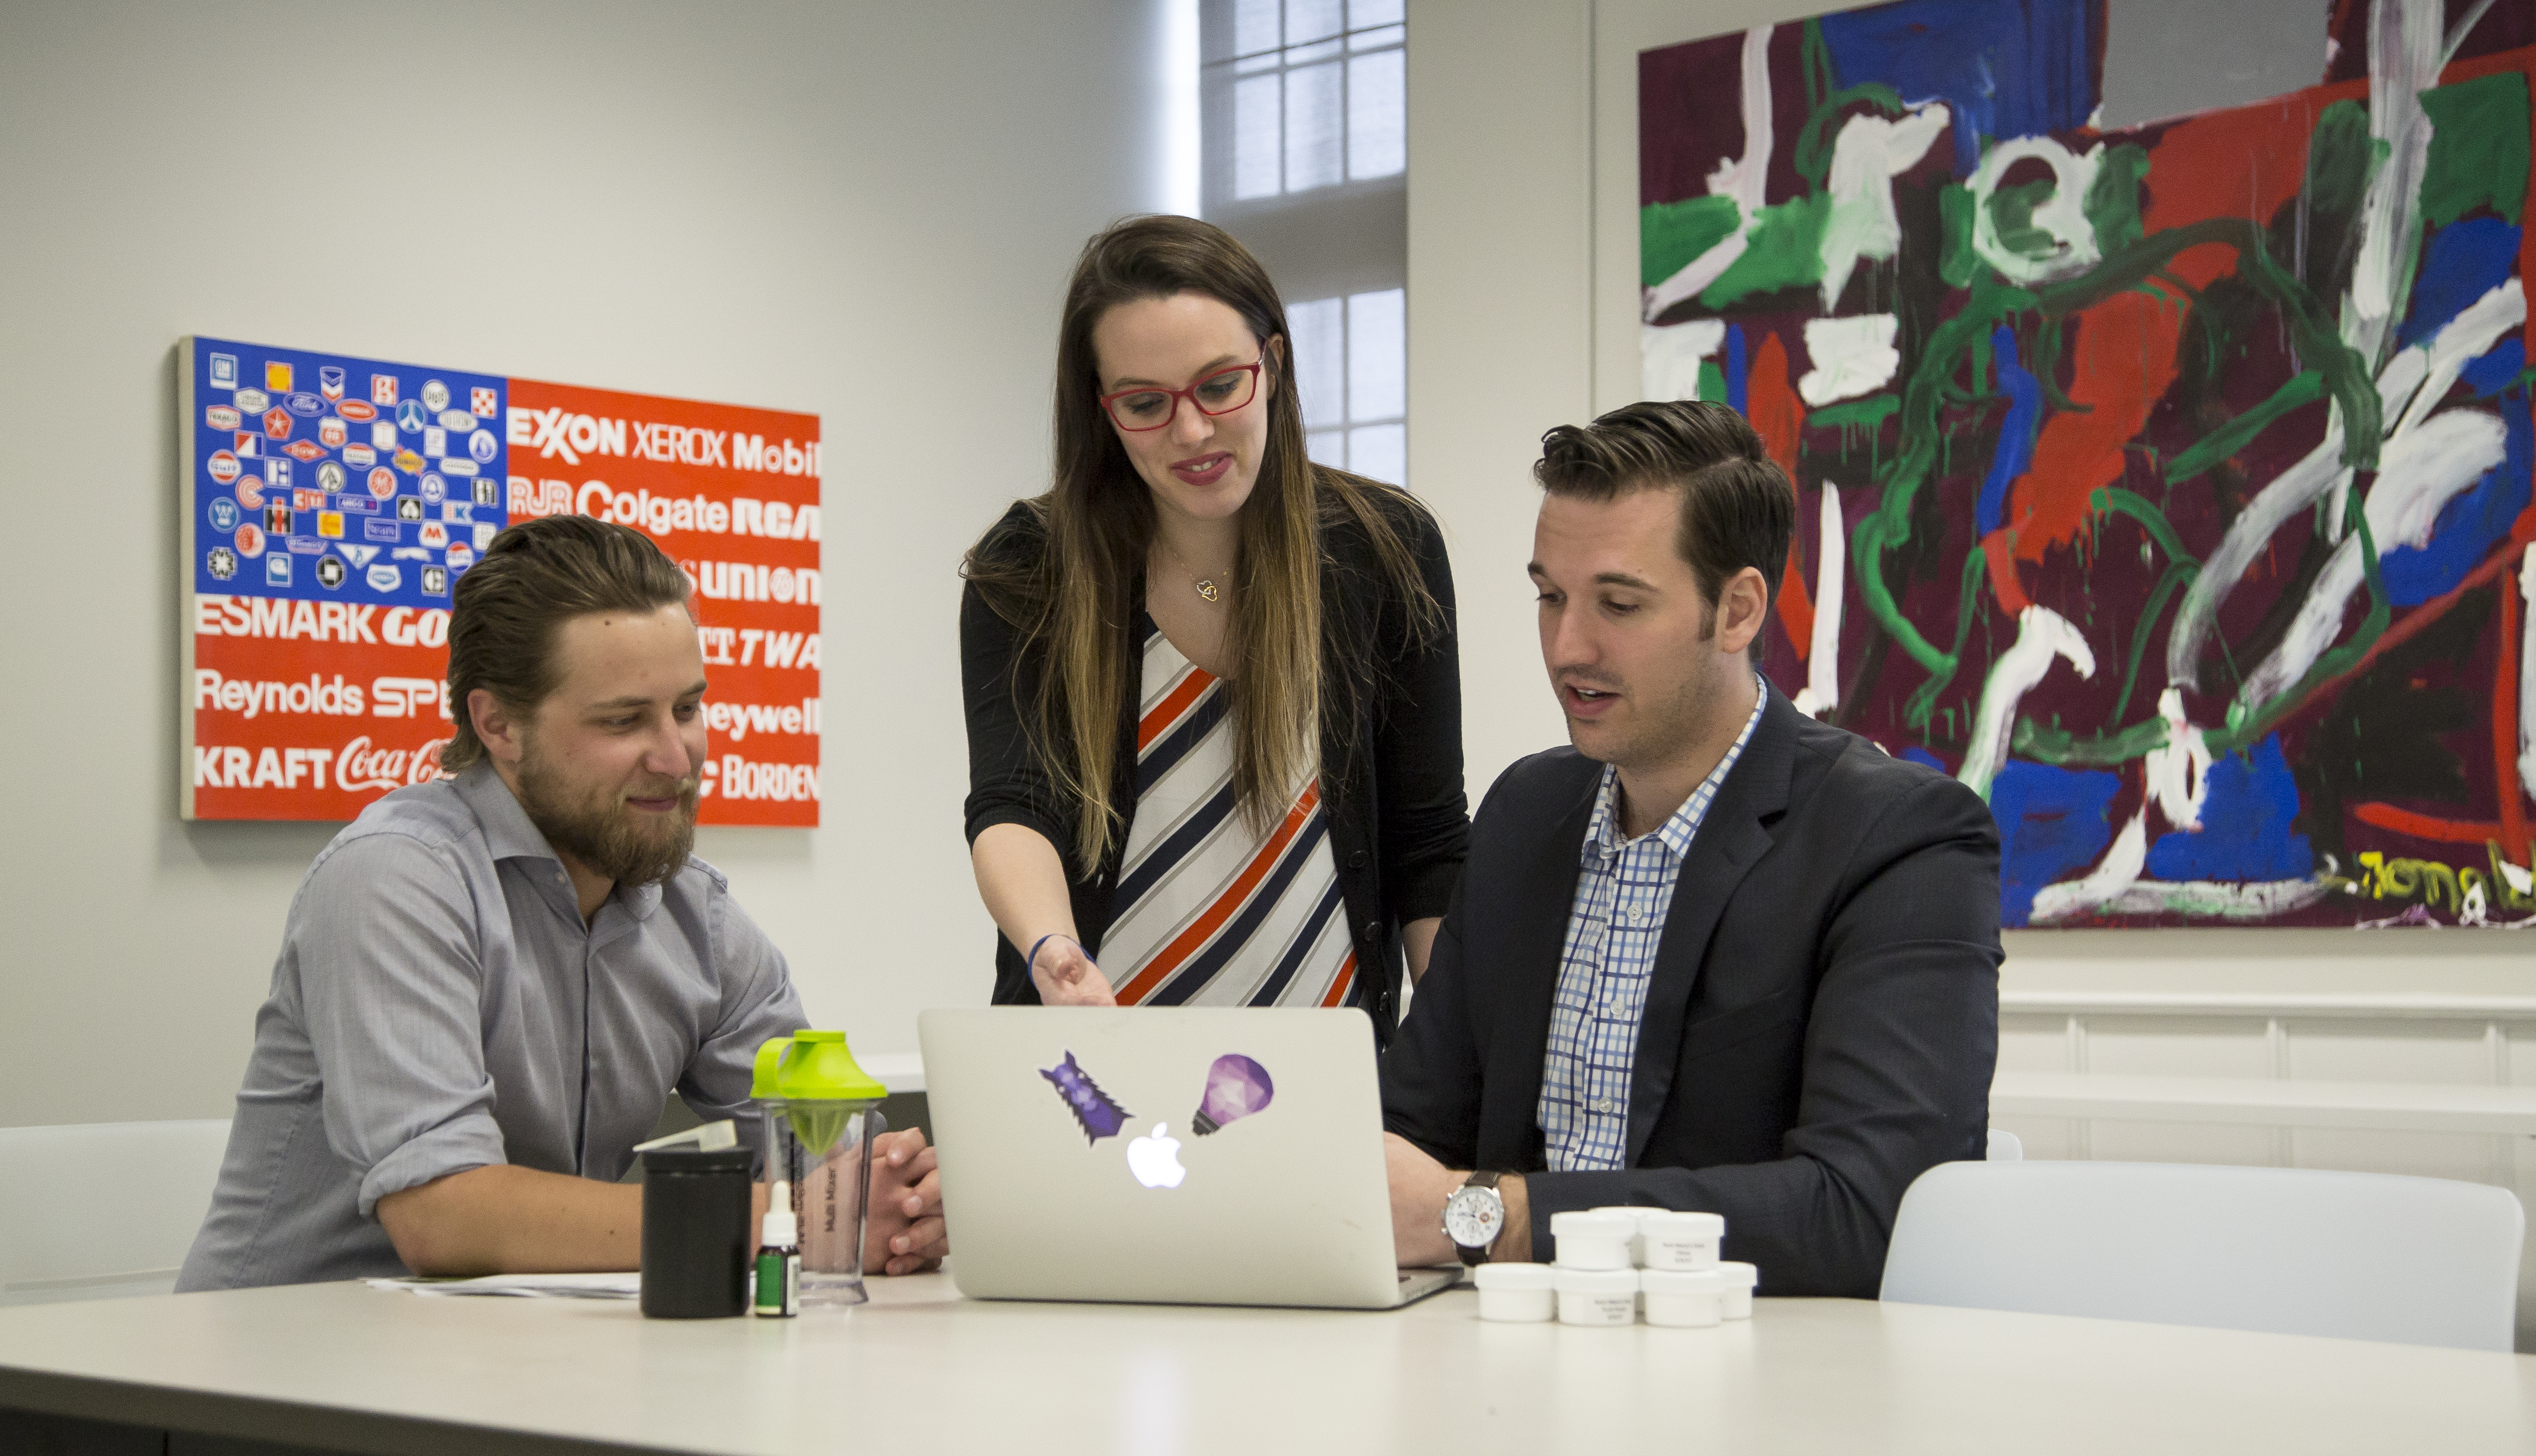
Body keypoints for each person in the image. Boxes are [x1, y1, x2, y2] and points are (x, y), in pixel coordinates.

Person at [180, 516, 944, 1289]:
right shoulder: (395, 878)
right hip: (280, 1373)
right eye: (623, 720)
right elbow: (445, 1215)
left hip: (514, 1355)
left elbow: (828, 1158)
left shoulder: (695, 914)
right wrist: (791, 1221)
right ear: (499, 724)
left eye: (687, 708)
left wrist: (905, 1199)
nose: (677, 758)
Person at [1377, 401, 2001, 1296]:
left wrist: (1492, 1216)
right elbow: (1414, 1126)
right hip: (1502, 1366)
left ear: (1738, 609)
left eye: (1618, 604)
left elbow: (1870, 1209)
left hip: (1761, 1378)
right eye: (1550, 595)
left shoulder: (1900, 838)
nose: (1566, 646)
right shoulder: (1526, 812)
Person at [962, 216, 1468, 1048]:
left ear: (1272, 364)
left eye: (1219, 385)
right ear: (1101, 407)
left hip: (1324, 1078)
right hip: (1091, 1075)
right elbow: (1013, 805)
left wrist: (1458, 1056)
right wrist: (1054, 950)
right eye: (1144, 403)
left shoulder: (1384, 548)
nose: (1191, 431)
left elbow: (1429, 841)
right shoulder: (1032, 565)